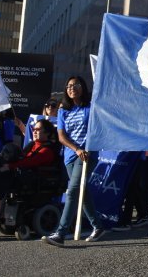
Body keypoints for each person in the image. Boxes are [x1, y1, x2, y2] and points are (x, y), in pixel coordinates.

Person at [43, 76, 106, 247]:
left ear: (83, 88)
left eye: (76, 85)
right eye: (69, 86)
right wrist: (76, 149)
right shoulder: (64, 110)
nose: (72, 88)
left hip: (87, 156)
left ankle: (60, 233)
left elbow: (98, 129)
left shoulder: (91, 107)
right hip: (70, 156)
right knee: (81, 193)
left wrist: (83, 149)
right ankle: (98, 226)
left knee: (72, 192)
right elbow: (61, 137)